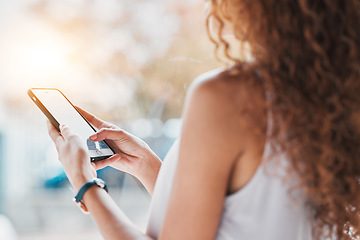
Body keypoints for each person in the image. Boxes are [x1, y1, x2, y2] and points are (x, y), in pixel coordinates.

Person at [47, 0, 360, 239]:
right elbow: (242, 219)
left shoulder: (225, 94)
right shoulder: (331, 97)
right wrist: (148, 166)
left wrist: (84, 181)